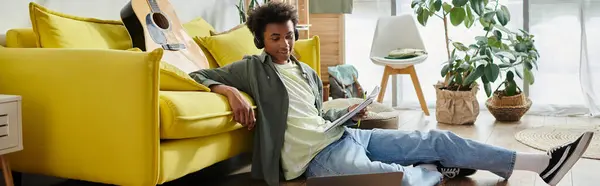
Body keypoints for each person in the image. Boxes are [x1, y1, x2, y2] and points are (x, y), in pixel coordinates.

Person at [189, 2, 594, 186]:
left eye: (289, 36)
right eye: (275, 38)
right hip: (314, 159)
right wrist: (229, 90)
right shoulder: (252, 69)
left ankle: (541, 162)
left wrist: (350, 110)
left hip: (345, 135)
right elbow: (197, 72)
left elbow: (315, 115)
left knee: (439, 137)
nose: (284, 44)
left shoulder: (308, 73)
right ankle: (436, 170)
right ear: (261, 39)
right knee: (392, 179)